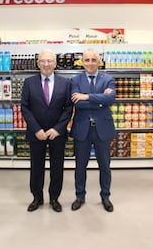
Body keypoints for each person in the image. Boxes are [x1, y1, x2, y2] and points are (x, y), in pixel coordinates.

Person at [21, 49, 73, 213]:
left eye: (50, 61)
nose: (46, 64)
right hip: (37, 133)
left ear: (55, 63)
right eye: (43, 61)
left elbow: (68, 108)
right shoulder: (29, 82)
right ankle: (37, 197)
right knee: (36, 166)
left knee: (57, 167)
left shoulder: (65, 83)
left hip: (57, 134)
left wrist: (58, 129)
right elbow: (25, 108)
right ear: (38, 63)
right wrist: (36, 129)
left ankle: (54, 198)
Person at [70, 48, 116, 212]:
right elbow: (77, 102)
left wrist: (87, 96)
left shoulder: (108, 79)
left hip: (103, 129)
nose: (90, 63)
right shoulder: (75, 80)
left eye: (93, 60)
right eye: (87, 60)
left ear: (99, 62)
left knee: (105, 166)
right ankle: (79, 196)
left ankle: (105, 196)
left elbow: (110, 99)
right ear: (82, 62)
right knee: (80, 166)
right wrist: (100, 99)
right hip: (82, 128)